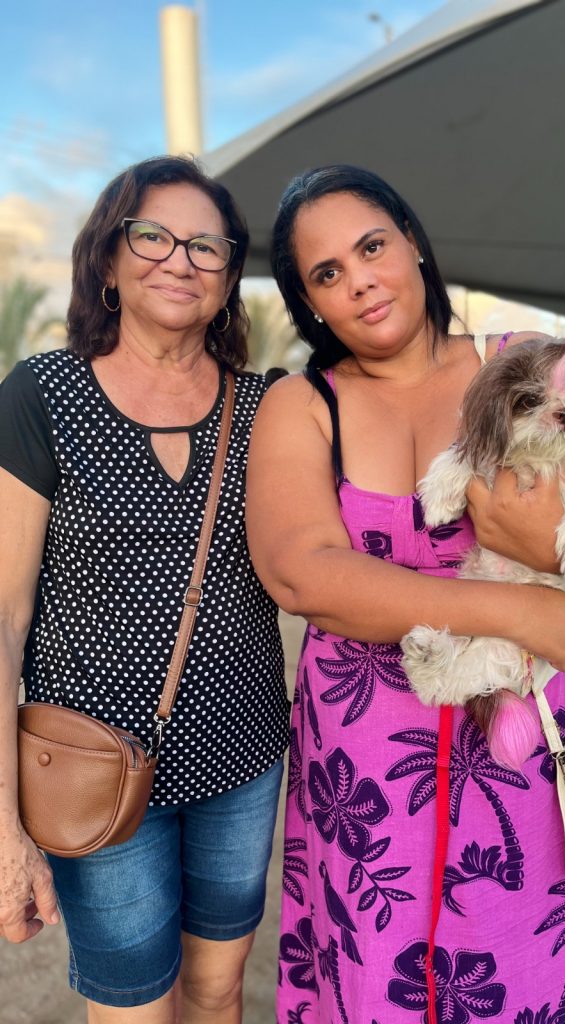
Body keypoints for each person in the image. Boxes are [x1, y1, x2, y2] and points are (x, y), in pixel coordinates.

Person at [247, 165, 565, 1023]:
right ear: (309, 303)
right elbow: (303, 573)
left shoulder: (527, 363)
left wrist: (553, 546)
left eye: (372, 246)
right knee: (377, 981)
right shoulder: (301, 404)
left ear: (413, 242)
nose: (360, 280)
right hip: (368, 776)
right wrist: (520, 609)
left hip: (532, 753)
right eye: (327, 273)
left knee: (535, 973)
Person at [0, 156, 289, 1022]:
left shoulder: (268, 407)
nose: (179, 260)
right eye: (153, 235)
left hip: (240, 754)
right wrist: (3, 820)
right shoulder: (43, 395)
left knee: (218, 986)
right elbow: (4, 615)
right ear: (109, 257)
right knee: (134, 1007)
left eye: (206, 246)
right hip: (89, 765)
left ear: (228, 277)